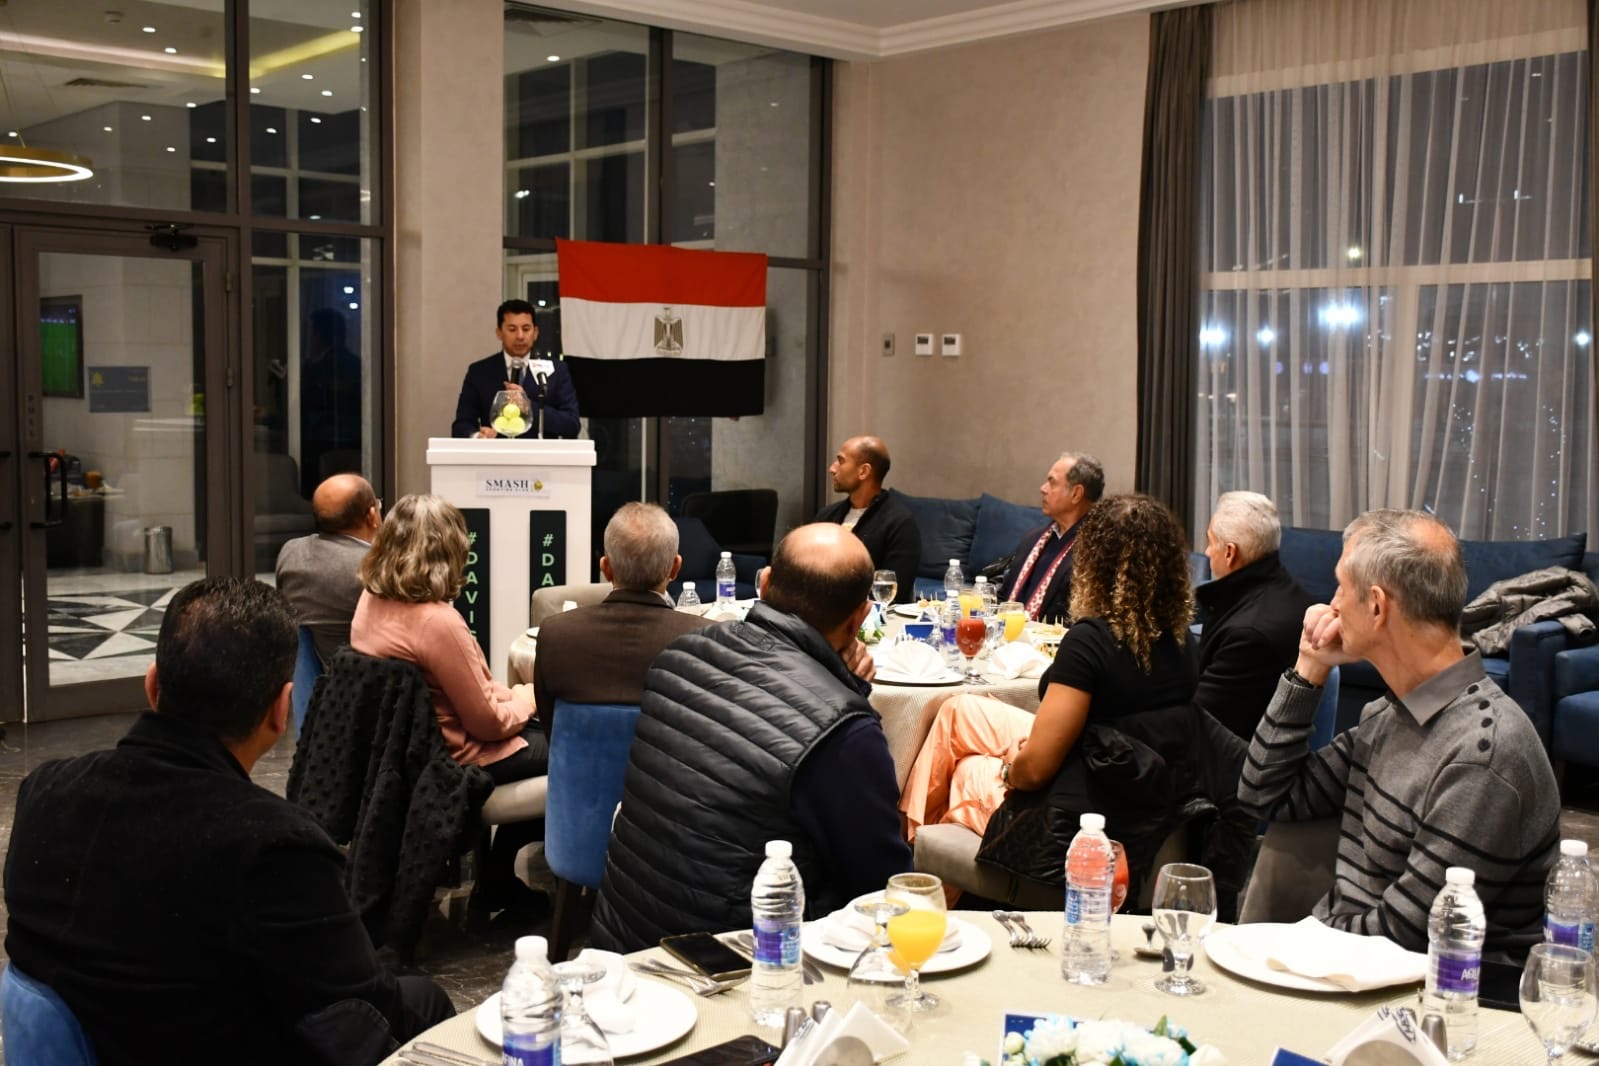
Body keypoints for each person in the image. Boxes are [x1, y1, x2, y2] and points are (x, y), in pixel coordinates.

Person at [3, 578, 454, 1066]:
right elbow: (368, 1016)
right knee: (424, 1002)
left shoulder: (42, 791)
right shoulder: (275, 847)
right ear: (281, 709)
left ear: (153, 685)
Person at [1238, 509, 1560, 955]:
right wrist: (1309, 665)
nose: (1332, 605)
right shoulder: (1390, 716)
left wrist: (1295, 944)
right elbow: (1263, 795)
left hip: (1434, 986)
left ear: (1377, 606)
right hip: (1354, 959)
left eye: (1340, 587)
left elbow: (1406, 933)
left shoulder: (1482, 755)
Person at [589, 523, 912, 952]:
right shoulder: (844, 734)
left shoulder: (679, 655)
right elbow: (880, 890)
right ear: (860, 617)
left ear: (764, 583)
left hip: (623, 942)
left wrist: (841, 690)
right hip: (736, 963)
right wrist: (846, 695)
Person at [900, 494, 1197, 845]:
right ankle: (914, 847)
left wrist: (1011, 767)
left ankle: (910, 852)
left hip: (1071, 814)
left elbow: (1035, 772)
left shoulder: (1090, 642)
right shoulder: (1186, 643)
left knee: (968, 770)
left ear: (1094, 563)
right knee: (958, 709)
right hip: (1128, 786)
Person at [350, 494, 544, 784]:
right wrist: (526, 701)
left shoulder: (370, 599)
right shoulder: (437, 623)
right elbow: (488, 725)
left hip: (401, 751)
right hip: (455, 757)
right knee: (575, 743)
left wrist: (511, 698)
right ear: (451, 552)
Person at [533, 502, 711, 736]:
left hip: (580, 761)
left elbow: (550, 725)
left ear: (605, 568)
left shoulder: (555, 634)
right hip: (672, 761)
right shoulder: (705, 640)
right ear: (675, 568)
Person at [1193, 490, 1315, 740]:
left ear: (1230, 552)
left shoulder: (1248, 635)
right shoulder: (1292, 593)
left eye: (1210, 542)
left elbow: (1198, 725)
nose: (1207, 552)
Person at [274, 473, 381, 666]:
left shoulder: (291, 552)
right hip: (363, 675)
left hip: (304, 675)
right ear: (372, 515)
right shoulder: (377, 567)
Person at [996, 452, 1104, 623]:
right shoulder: (1032, 540)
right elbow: (1005, 596)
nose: (1043, 488)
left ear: (1076, 494)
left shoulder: (1096, 551)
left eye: (1052, 482)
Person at [451, 298, 579, 439]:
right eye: (512, 329)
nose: (520, 336)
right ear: (499, 332)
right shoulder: (479, 372)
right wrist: (477, 436)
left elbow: (572, 425)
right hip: (496, 451)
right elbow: (461, 425)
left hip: (540, 452)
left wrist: (529, 406)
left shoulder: (556, 370)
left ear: (535, 332)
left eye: (526, 329)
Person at [813, 435, 920, 604]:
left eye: (840, 461)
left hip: (868, 616)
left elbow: (894, 593)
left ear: (863, 471)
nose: (832, 468)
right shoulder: (827, 516)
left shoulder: (899, 523)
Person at [299, 307, 362, 496]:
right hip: (343, 441)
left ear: (319, 334)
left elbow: (317, 403)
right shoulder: (353, 362)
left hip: (330, 443)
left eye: (311, 332)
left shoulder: (332, 366)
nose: (308, 339)